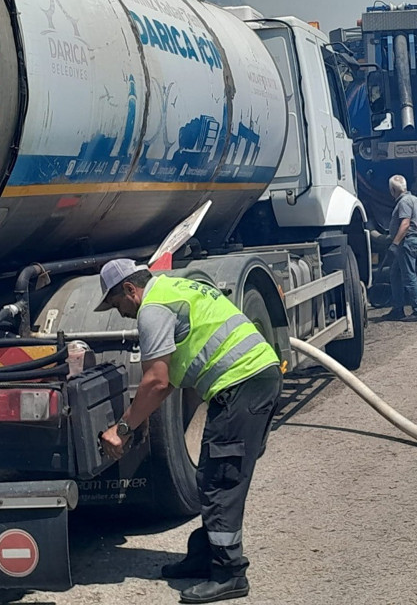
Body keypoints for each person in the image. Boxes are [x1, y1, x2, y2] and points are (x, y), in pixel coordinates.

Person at [96, 258, 282, 604]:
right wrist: (138, 418)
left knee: (220, 480)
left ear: (129, 290)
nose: (118, 311)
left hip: (243, 384)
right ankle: (205, 555)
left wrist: (121, 429)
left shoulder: (152, 310)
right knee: (215, 472)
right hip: (256, 378)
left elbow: (155, 381)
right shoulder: (173, 288)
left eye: (115, 302)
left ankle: (229, 574)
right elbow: (168, 382)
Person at [382, 174, 417, 322]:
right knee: (395, 274)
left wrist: (395, 243)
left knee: (409, 277)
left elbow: (405, 224)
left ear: (392, 190)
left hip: (406, 243)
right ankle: (398, 309)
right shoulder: (416, 201)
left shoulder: (403, 203)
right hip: (413, 241)